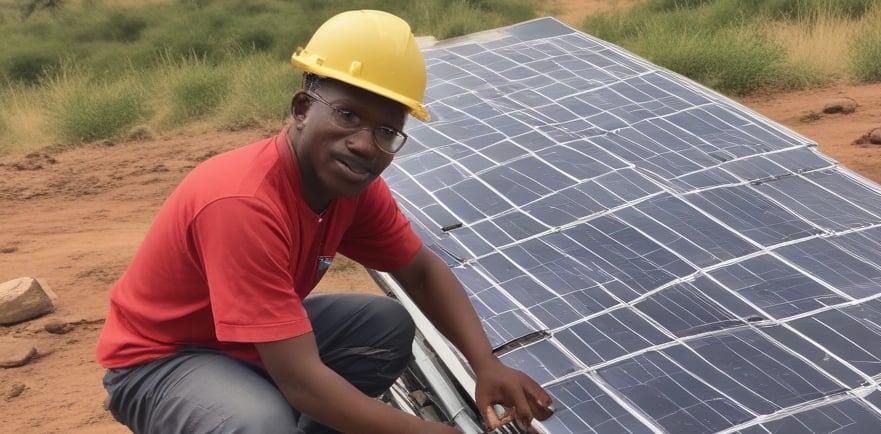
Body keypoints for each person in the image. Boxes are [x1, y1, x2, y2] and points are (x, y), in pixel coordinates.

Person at [96, 10, 553, 434]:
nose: (364, 144)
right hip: (162, 360)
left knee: (383, 327)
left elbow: (422, 270)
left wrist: (485, 364)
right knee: (258, 424)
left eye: (386, 131)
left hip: (244, 344)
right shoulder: (242, 202)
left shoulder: (350, 186)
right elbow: (305, 386)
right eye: (348, 114)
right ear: (301, 109)